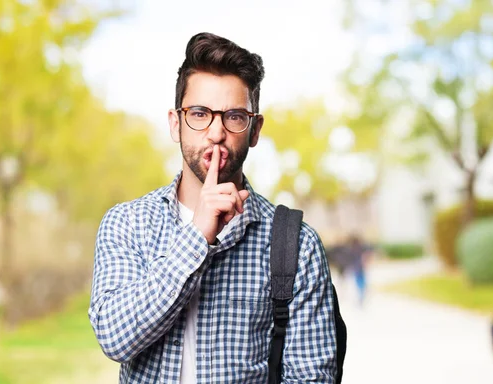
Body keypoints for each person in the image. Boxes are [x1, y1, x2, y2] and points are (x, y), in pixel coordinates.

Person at [88, 32, 338, 383]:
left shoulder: (297, 245)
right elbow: (115, 338)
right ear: (176, 124)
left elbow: (311, 377)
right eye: (200, 113)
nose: (216, 133)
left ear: (254, 130)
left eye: (234, 116)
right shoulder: (126, 224)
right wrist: (197, 236)